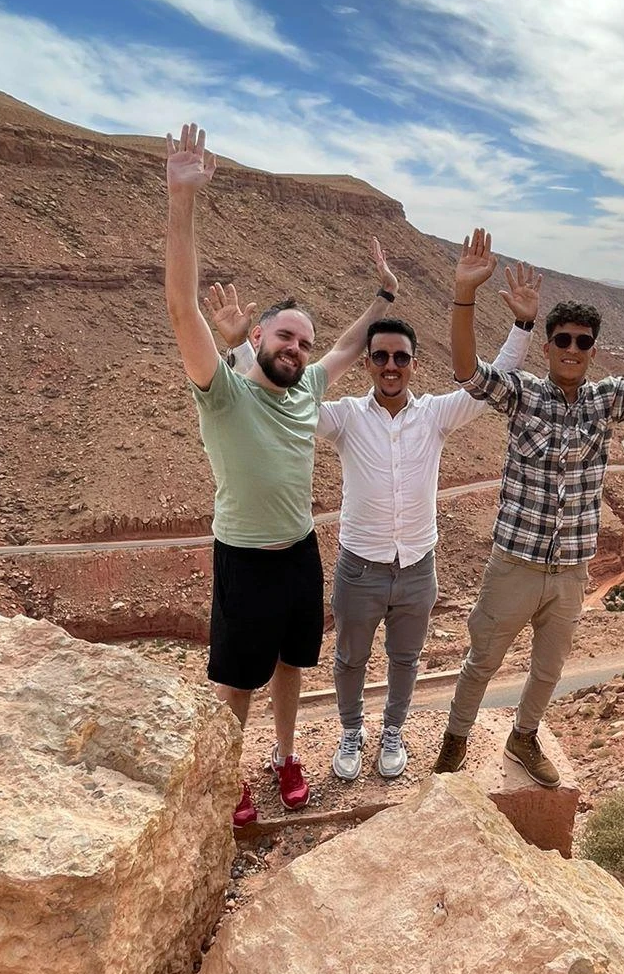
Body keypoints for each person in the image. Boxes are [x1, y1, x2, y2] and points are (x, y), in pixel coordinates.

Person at [209, 264, 541, 781]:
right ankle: (349, 731)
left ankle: (391, 731)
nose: (391, 365)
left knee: (405, 660)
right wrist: (240, 350)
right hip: (359, 567)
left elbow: (491, 381)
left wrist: (521, 328)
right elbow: (273, 398)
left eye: (400, 357)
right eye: (381, 356)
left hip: (417, 566)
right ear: (367, 363)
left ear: (413, 364)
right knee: (348, 660)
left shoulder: (436, 414)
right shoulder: (342, 417)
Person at [164, 122, 402, 824]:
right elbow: (181, 308)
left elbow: (352, 346)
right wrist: (182, 200)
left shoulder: (308, 389)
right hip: (242, 558)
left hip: (299, 553)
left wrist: (384, 294)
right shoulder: (223, 389)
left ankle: (285, 755)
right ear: (256, 338)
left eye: (303, 339)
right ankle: (229, 777)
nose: (297, 348)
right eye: (284, 336)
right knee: (235, 680)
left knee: (293, 665)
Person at [432, 227, 624, 786]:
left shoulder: (607, 402)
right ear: (549, 344)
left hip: (572, 568)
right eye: (563, 340)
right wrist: (465, 294)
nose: (573, 350)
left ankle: (523, 738)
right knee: (482, 661)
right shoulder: (523, 394)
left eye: (583, 342)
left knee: (549, 669)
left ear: (593, 349)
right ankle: (454, 744)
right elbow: (466, 372)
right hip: (515, 563)